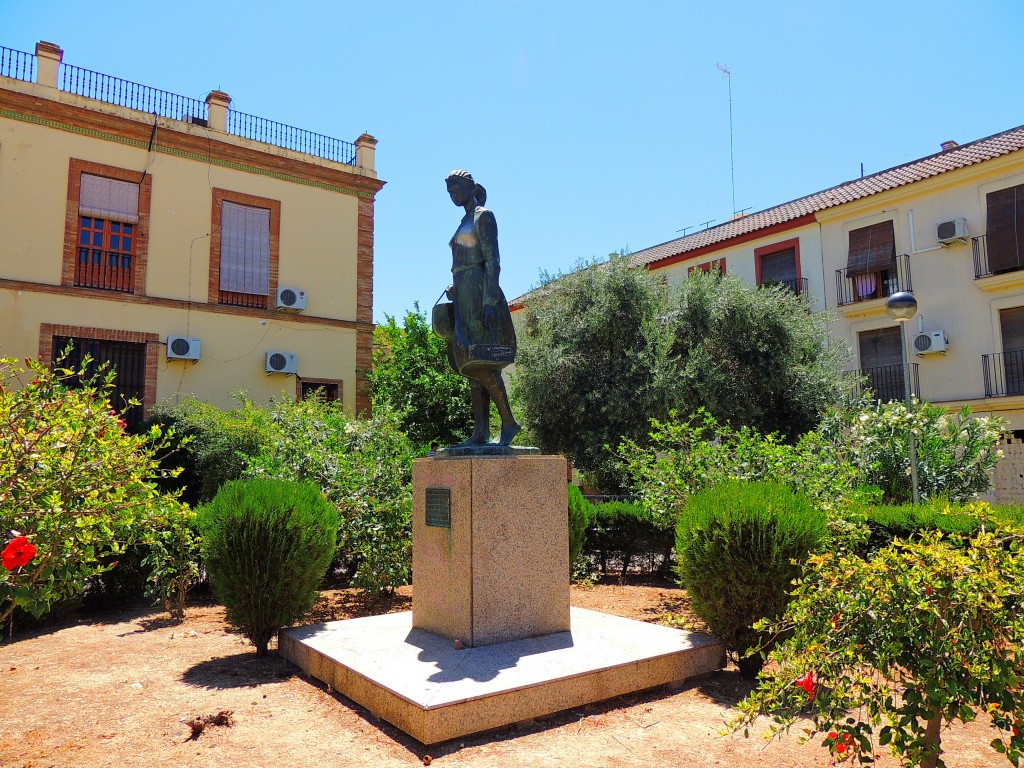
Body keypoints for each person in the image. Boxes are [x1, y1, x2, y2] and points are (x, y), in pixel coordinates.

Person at [435, 169, 520, 446]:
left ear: (470, 187)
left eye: (456, 188)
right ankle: (480, 431)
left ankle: (508, 421)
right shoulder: (463, 221)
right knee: (467, 364)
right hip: (463, 293)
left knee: (477, 360)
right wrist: (455, 286)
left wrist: (489, 301)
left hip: (479, 292)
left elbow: (493, 260)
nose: (453, 194)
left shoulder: (484, 216)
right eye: (449, 192)